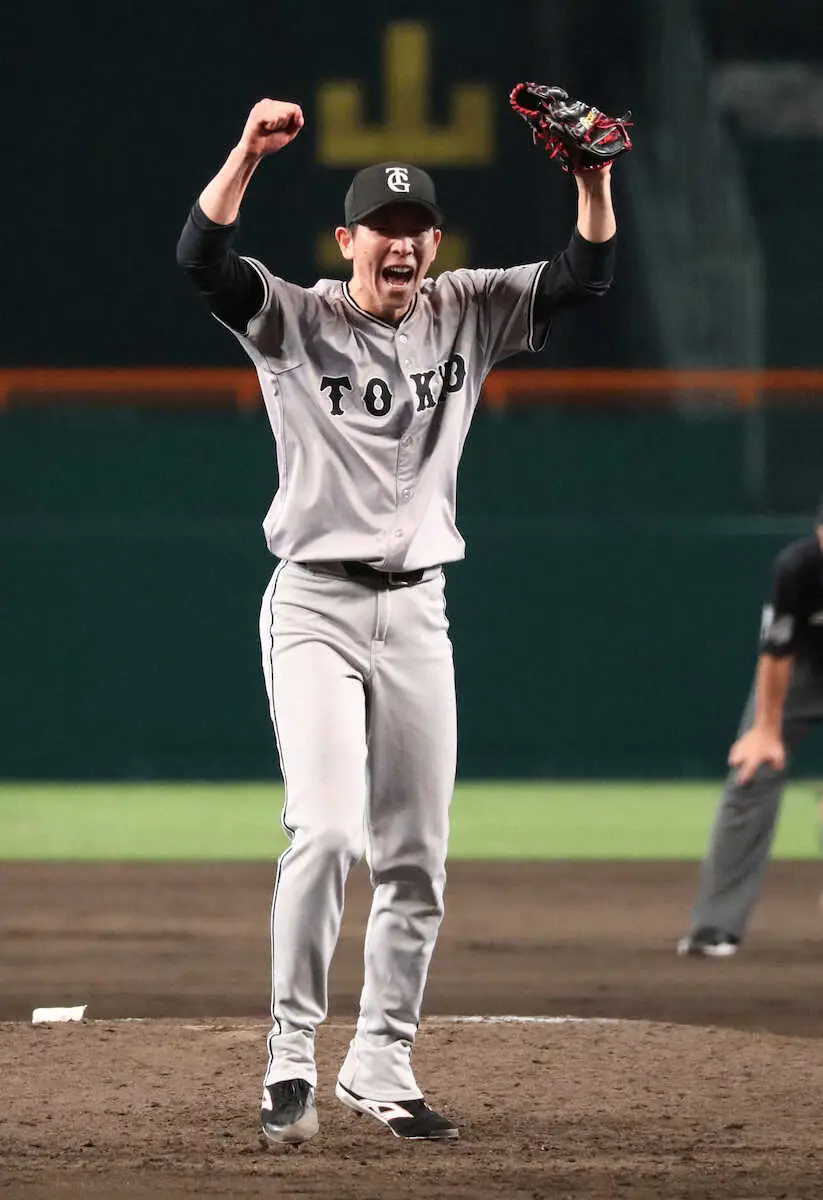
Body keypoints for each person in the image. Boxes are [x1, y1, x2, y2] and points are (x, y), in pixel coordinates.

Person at [176, 97, 617, 1145]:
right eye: (385, 227)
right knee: (326, 831)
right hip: (317, 606)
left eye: (419, 228)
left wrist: (593, 182)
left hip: (420, 611)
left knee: (417, 857)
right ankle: (291, 1055)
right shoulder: (298, 318)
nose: (405, 243)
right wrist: (243, 150)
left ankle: (381, 1062)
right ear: (349, 242)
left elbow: (582, 277)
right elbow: (202, 258)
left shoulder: (466, 305)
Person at [678, 504, 823, 958]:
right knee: (752, 770)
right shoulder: (799, 568)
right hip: (802, 672)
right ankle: (716, 927)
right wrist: (765, 728)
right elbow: (777, 653)